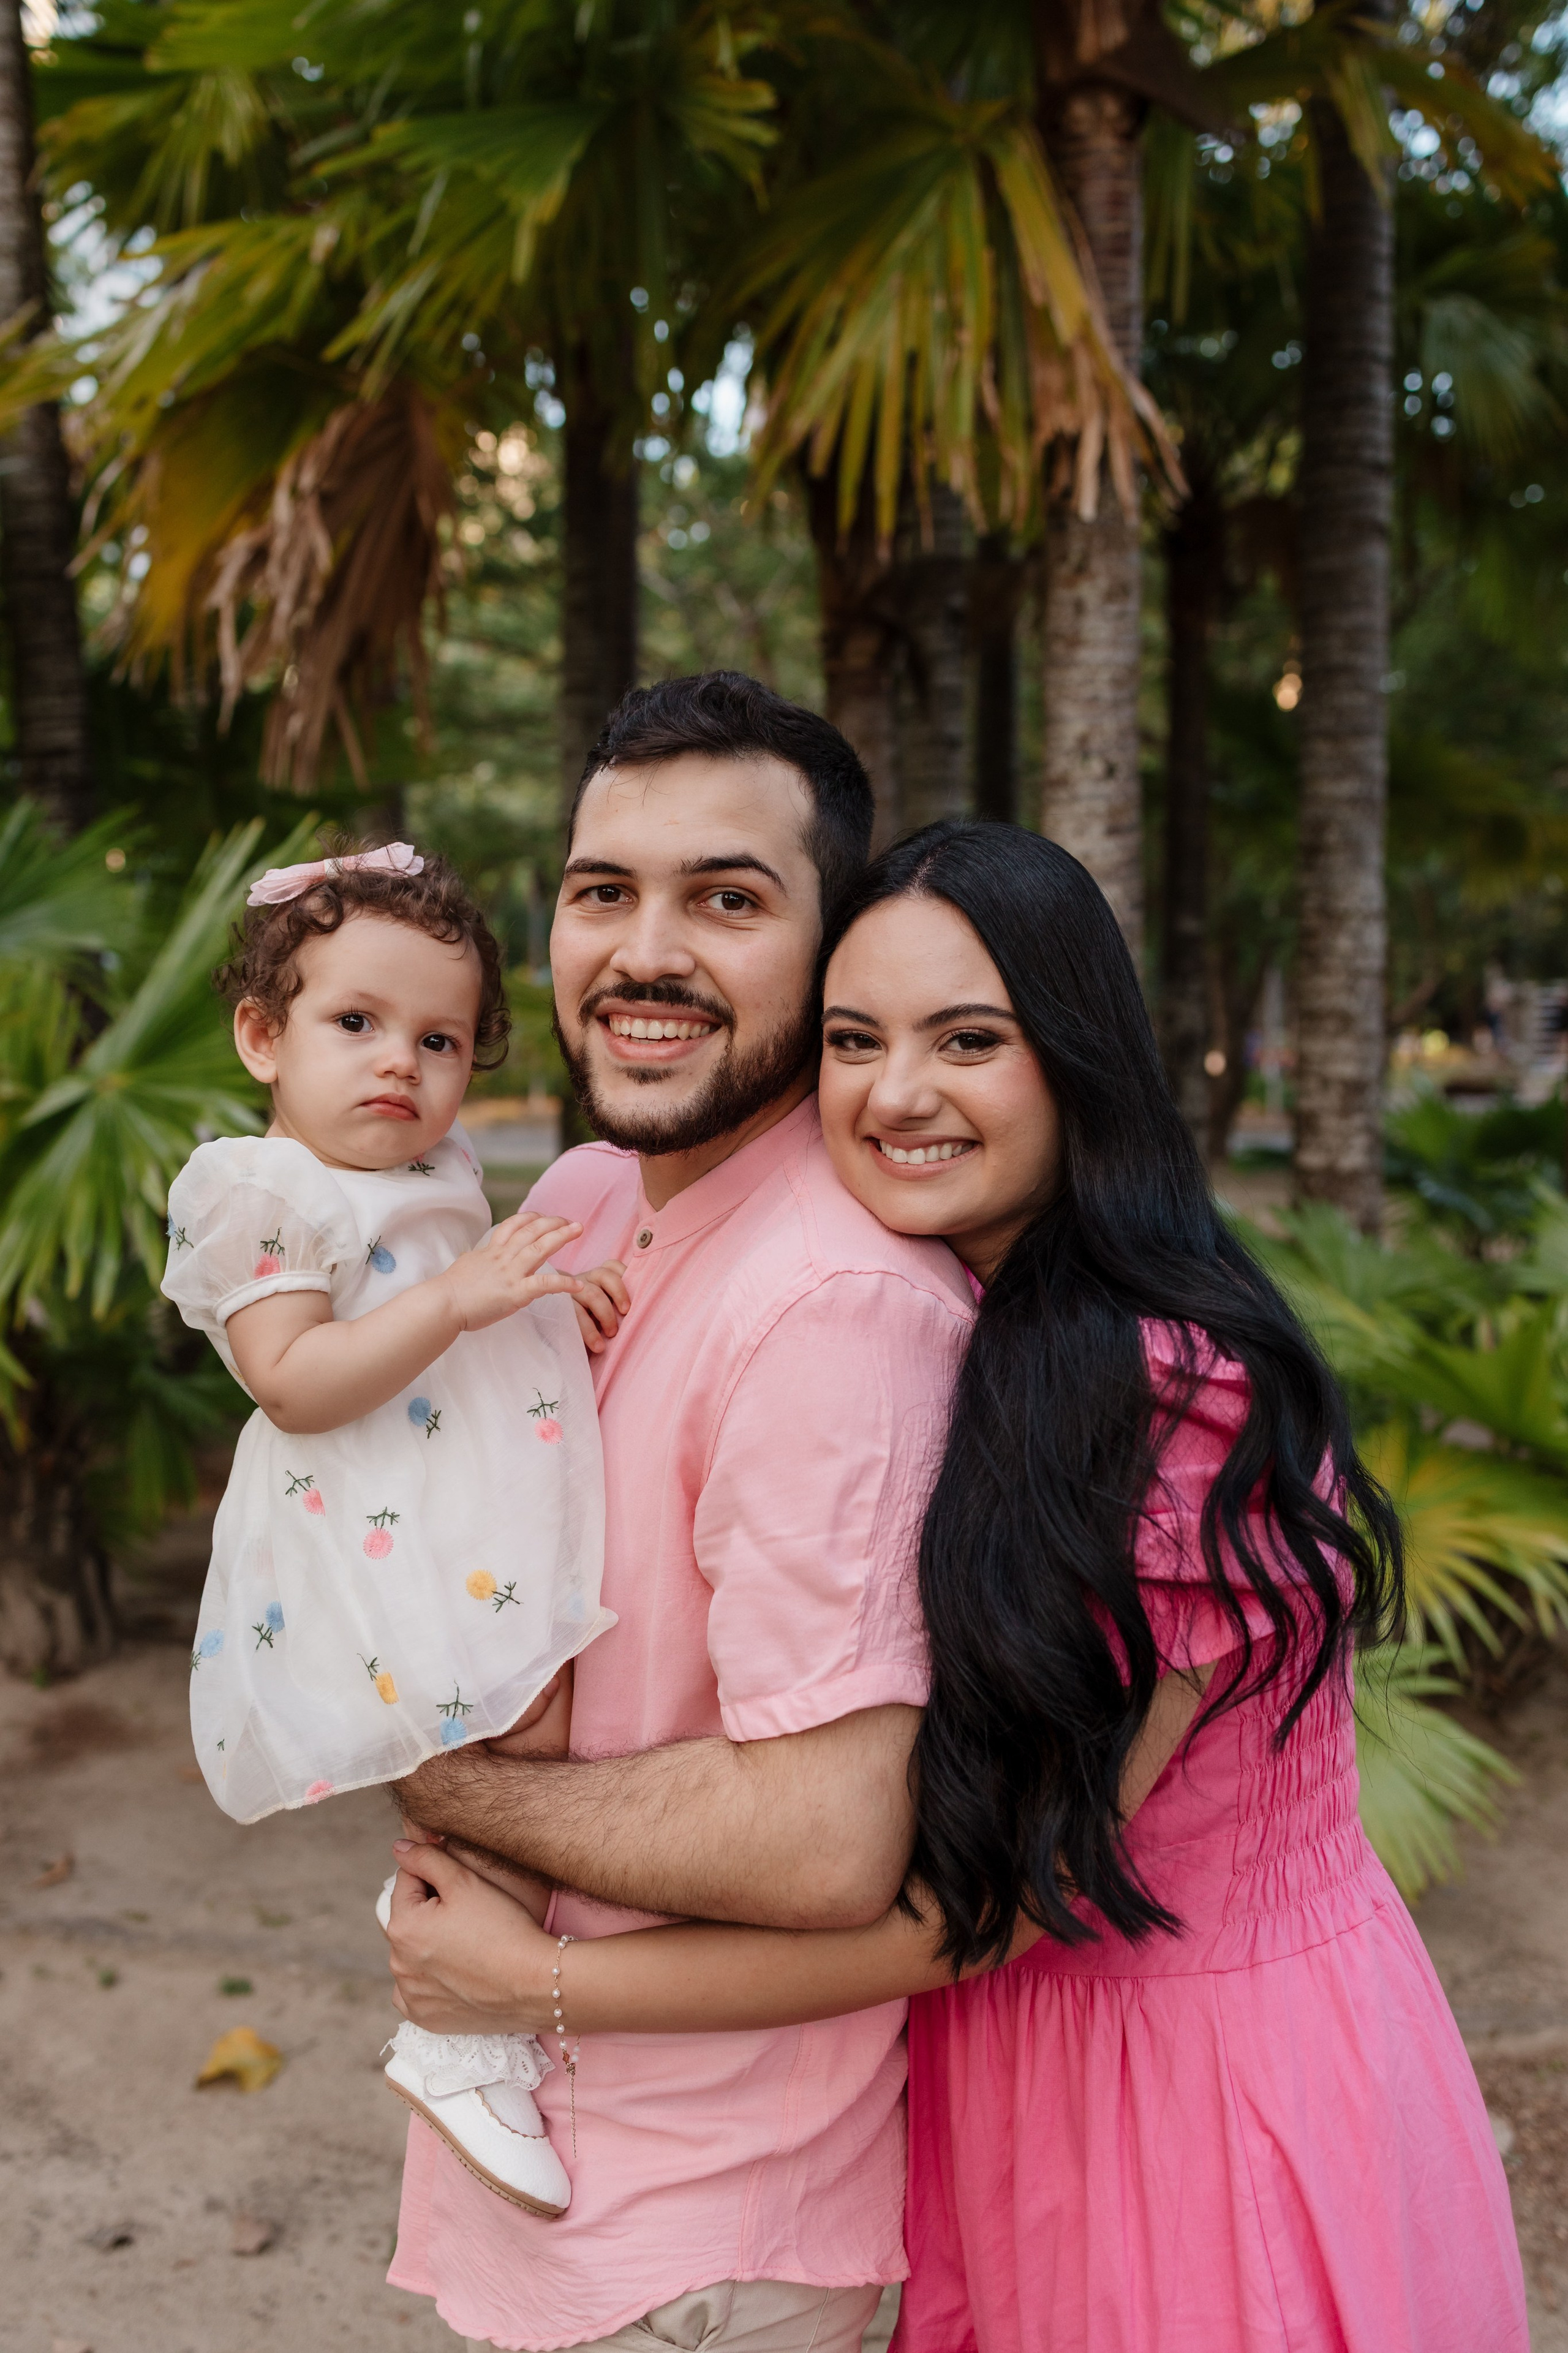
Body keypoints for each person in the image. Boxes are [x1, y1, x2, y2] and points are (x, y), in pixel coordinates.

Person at [391, 820, 1529, 2353]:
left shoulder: (1169, 1396)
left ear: (1076, 1060)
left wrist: (535, 1981)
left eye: (967, 1039)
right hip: (999, 2085)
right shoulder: (967, 1324)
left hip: (1189, 2085)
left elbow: (1011, 1901)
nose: (895, 1093)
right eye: (854, 1040)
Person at [386, 676, 976, 2352]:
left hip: (706, 2240)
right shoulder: (577, 1204)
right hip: (543, 2161)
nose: (645, 953)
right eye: (602, 894)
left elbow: (824, 1836)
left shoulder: (836, 1307)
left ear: (835, 946)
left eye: (726, 898)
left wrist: (449, 1779)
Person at [162, 840, 625, 2217]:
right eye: (353, 1023)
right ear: (263, 1034)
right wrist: (469, 1303)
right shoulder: (258, 1189)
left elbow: (460, 1286)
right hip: (361, 1528)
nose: (399, 1064)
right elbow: (295, 1384)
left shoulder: (440, 1165)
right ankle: (457, 2030)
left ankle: (443, 1945)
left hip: (458, 1503)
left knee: (524, 1724)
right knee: (493, 1739)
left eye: (437, 1038)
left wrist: (555, 1298)